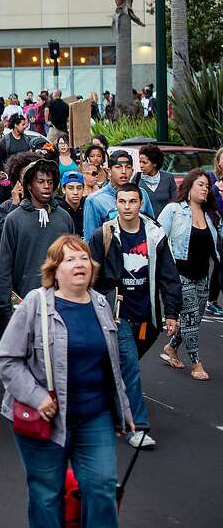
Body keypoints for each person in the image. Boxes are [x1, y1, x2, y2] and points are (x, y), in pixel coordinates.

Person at [0, 235, 132, 528]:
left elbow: (111, 364)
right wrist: (37, 397)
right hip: (46, 420)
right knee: (47, 496)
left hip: (94, 417)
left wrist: (124, 410)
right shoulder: (36, 304)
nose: (79, 264)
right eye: (70, 259)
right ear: (55, 270)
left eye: (84, 258)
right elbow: (6, 360)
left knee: (103, 489)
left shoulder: (100, 304)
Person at [89, 183, 181, 450]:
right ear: (115, 203)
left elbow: (168, 276)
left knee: (118, 367)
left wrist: (172, 312)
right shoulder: (104, 234)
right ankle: (136, 427)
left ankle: (104, 408)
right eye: (122, 201)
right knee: (130, 368)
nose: (127, 206)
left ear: (141, 203)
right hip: (118, 314)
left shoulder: (154, 234)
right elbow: (91, 273)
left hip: (148, 316)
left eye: (132, 201)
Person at [0, 158, 74, 346]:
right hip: (25, 301)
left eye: (50, 182)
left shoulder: (64, 217)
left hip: (59, 300)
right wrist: (5, 305)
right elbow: (5, 264)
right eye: (40, 182)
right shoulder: (14, 219)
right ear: (29, 185)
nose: (46, 187)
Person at [158, 169, 219, 380]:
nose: (205, 188)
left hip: (203, 276)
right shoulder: (174, 210)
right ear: (189, 187)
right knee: (191, 318)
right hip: (180, 274)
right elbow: (158, 238)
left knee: (194, 320)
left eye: (207, 186)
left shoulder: (211, 215)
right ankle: (196, 363)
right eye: (200, 184)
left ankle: (171, 347)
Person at [82, 150, 155, 241]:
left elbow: (152, 228)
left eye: (127, 167)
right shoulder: (95, 200)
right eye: (118, 167)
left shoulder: (142, 194)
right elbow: (91, 240)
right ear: (109, 171)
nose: (124, 171)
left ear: (132, 171)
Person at [133, 144, 177, 217]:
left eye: (145, 162)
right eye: (140, 162)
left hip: (165, 222)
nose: (141, 165)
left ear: (155, 163)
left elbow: (175, 203)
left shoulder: (168, 178)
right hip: (145, 223)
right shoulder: (137, 178)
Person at [57, 170, 88, 237]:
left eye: (79, 188)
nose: (75, 192)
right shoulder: (57, 207)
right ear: (63, 189)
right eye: (71, 188)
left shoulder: (88, 205)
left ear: (83, 189)